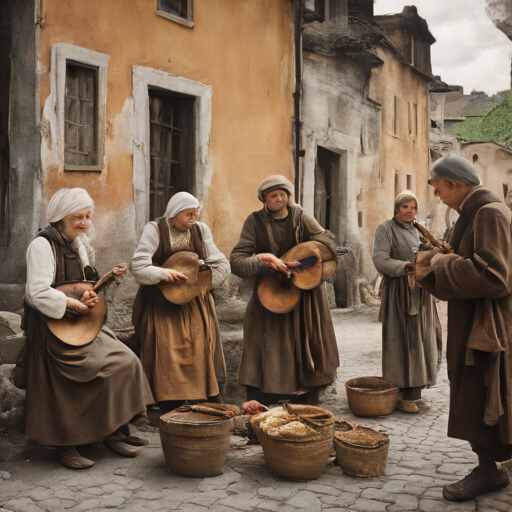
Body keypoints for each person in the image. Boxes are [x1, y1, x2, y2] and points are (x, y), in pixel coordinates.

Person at [24, 188, 150, 470]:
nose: (84, 223)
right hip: (50, 329)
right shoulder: (42, 245)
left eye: (88, 217)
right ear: (60, 218)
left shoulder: (78, 245)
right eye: (77, 217)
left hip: (78, 322)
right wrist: (71, 304)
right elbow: (37, 293)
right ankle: (65, 445)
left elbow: (82, 285)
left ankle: (113, 431)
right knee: (76, 374)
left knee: (126, 361)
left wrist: (95, 291)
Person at [416, 156, 512, 501]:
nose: (437, 194)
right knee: (472, 389)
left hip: (488, 326)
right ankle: (490, 466)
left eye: (438, 186)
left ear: (455, 184)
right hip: (469, 318)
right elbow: (463, 269)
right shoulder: (470, 215)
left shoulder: (489, 213)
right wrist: (431, 267)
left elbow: (495, 277)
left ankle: (489, 471)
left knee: (484, 391)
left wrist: (442, 262)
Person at [230, 175, 339, 406]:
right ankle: (266, 393)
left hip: (306, 292)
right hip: (270, 291)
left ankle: (308, 393)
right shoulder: (254, 221)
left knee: (307, 338)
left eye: (283, 194)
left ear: (289, 197)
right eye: (273, 195)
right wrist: (263, 260)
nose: (279, 199)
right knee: (267, 340)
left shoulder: (302, 217)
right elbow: (237, 260)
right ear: (264, 199)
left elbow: (327, 241)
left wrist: (303, 256)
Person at [131, 192, 229, 410]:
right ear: (174, 215)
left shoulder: (201, 230)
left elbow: (220, 261)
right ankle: (167, 402)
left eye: (195, 214)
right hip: (162, 303)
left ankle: (198, 399)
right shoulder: (155, 230)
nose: (193, 218)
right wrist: (165, 274)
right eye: (188, 214)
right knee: (166, 351)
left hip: (195, 303)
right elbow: (138, 267)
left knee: (198, 348)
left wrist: (205, 282)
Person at [372, 191, 441, 413]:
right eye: (404, 206)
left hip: (421, 293)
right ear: (397, 208)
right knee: (400, 339)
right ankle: (400, 392)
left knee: (422, 339)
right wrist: (408, 267)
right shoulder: (385, 229)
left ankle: (415, 392)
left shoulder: (420, 230)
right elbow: (381, 260)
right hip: (399, 293)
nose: (409, 210)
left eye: (412, 206)